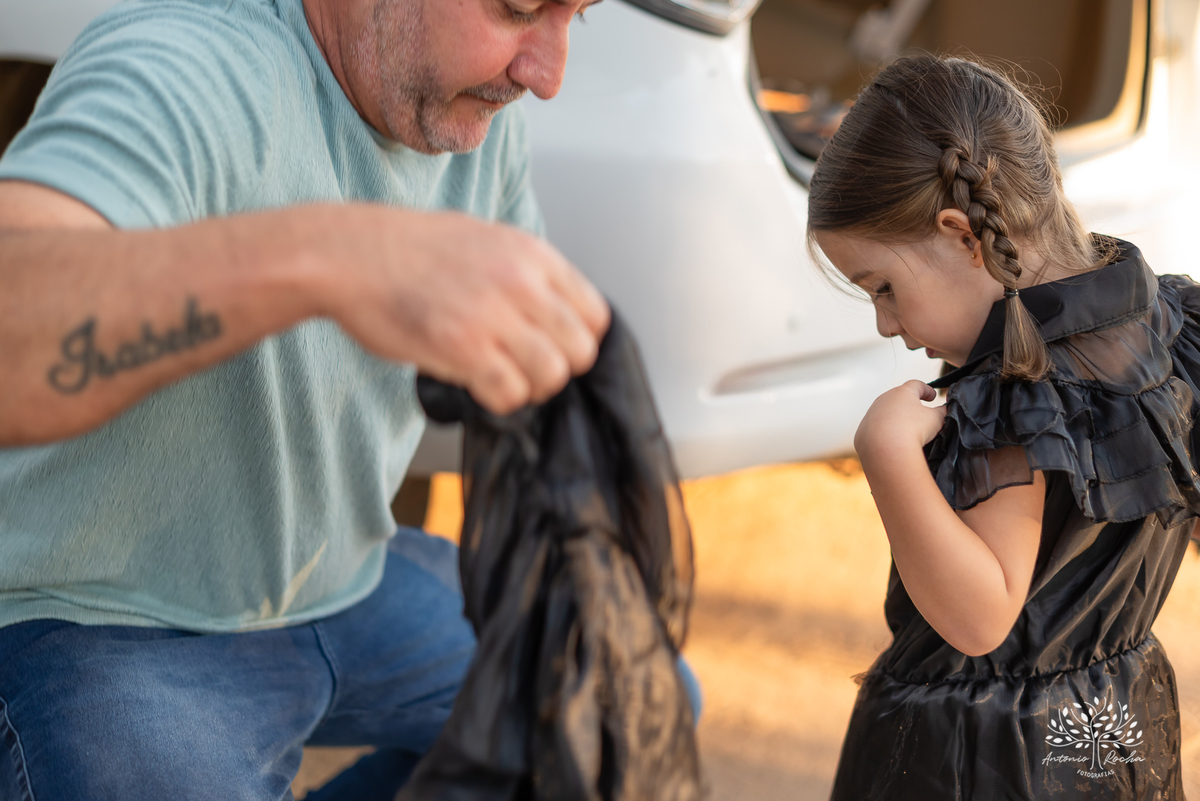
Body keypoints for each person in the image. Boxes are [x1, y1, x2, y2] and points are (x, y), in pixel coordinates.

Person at [0, 0, 613, 798]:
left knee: (612, 708)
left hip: (340, 580)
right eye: (520, 8)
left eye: (579, 15)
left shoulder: (472, 113)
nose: (548, 73)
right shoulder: (185, 63)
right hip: (92, 617)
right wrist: (331, 255)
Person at [808, 54, 1194, 800]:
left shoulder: (1012, 391)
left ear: (964, 235)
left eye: (883, 287)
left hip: (985, 758)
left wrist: (886, 453)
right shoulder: (1162, 327)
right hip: (1117, 727)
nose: (887, 323)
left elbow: (981, 615)